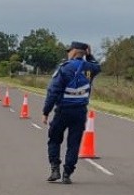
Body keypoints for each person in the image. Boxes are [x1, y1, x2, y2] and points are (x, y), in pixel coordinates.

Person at [42, 41, 101, 184]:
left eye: (69, 51)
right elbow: (98, 67)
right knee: (73, 144)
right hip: (80, 112)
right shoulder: (90, 68)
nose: (67, 53)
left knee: (55, 139)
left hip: (63, 111)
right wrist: (90, 55)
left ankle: (55, 169)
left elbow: (53, 92)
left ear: (73, 52)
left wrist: (46, 111)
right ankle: (67, 173)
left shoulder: (64, 68)